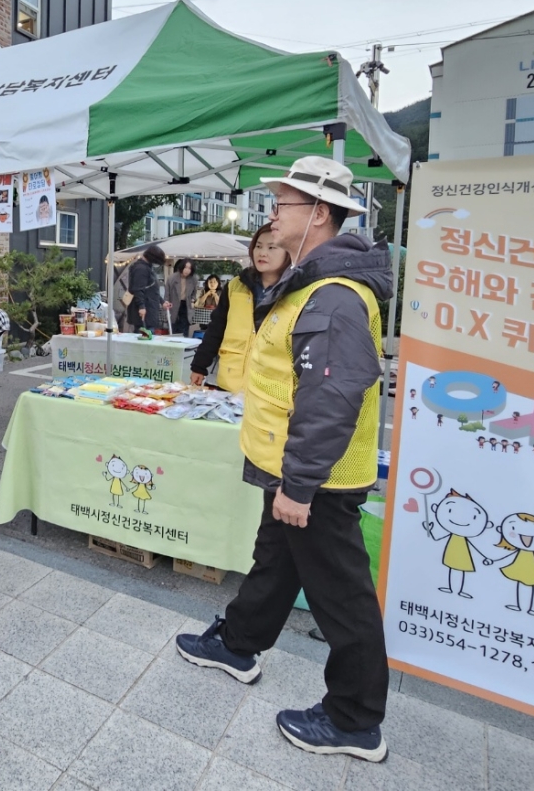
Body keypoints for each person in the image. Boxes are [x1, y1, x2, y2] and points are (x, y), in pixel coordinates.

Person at [175, 156, 392, 764]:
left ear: (319, 214)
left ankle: (355, 719)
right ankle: (239, 643)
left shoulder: (334, 295)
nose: (272, 216)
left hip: (318, 479)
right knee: (274, 560)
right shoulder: (311, 283)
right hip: (293, 470)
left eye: (283, 206)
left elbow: (330, 398)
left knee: (341, 595)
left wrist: (298, 485)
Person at [189, 224, 290, 392]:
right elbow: (216, 328)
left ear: (288, 252)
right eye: (258, 246)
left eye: (272, 247)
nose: (262, 253)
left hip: (269, 392)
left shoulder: (294, 289)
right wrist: (199, 365)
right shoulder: (236, 285)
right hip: (229, 382)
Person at [125, 245, 166, 332]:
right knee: (144, 335)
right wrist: (141, 306)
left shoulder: (146, 268)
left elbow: (151, 288)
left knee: (147, 334)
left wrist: (162, 301)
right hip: (145, 311)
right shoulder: (141, 269)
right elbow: (138, 289)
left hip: (149, 309)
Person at [167, 258, 197, 336]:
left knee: (184, 329)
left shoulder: (193, 279)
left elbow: (194, 293)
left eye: (189, 268)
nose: (187, 270)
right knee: (174, 328)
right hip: (174, 304)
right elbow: (167, 294)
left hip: (186, 305)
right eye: (185, 267)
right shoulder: (172, 278)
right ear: (182, 267)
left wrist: (193, 300)